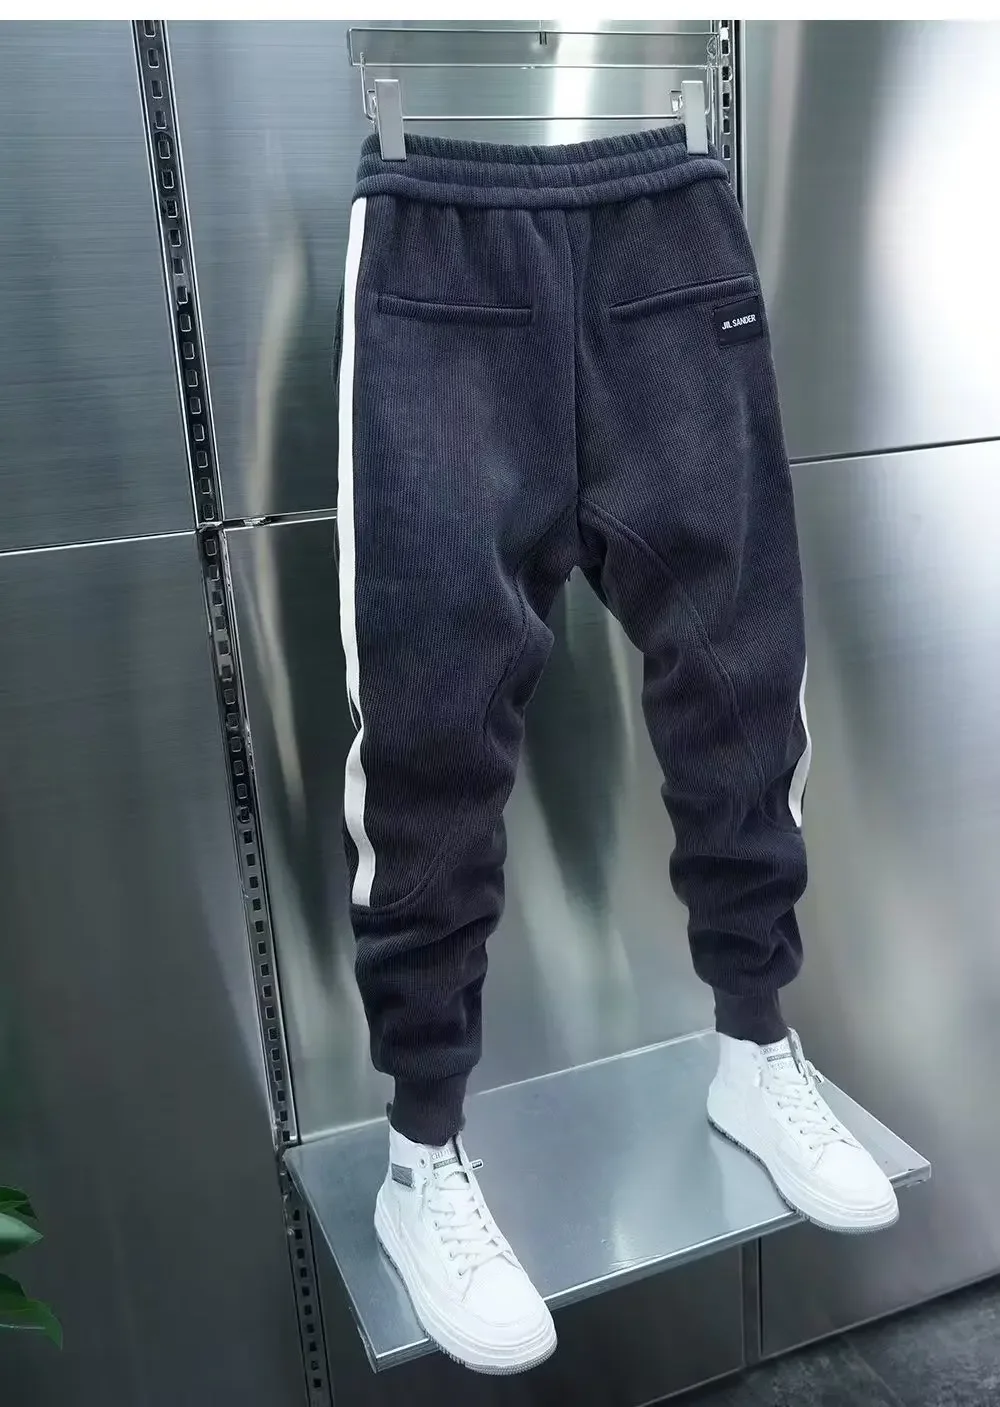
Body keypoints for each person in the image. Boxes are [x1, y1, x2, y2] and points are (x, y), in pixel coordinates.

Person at [335, 126, 897, 1376]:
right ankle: (420, 1152)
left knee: (742, 680)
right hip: (442, 254)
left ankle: (753, 1044)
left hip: (668, 237)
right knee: (431, 728)